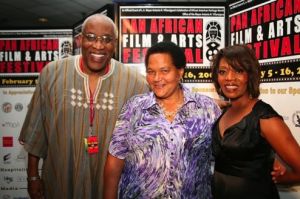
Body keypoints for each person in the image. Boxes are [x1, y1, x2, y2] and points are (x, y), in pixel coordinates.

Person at [18, 14, 148, 199]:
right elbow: (36, 132)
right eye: (91, 37)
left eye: (106, 39)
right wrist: (32, 176)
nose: (98, 45)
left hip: (111, 187)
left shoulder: (135, 83)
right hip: (61, 181)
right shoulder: (52, 74)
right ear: (80, 39)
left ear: (115, 44)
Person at [103, 41, 221, 199]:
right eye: (151, 72)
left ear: (180, 72)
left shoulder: (207, 109)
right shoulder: (134, 108)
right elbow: (114, 164)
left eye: (164, 71)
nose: (157, 78)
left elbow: (228, 159)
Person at [210, 44, 300, 199]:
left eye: (238, 71)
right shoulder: (223, 112)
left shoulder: (265, 117)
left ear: (249, 75)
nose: (229, 77)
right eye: (223, 72)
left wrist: (278, 178)